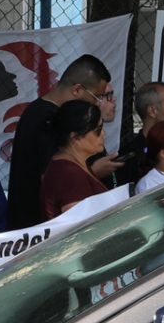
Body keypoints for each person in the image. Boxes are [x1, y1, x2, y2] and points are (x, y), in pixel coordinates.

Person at [7, 56, 114, 229]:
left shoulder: (37, 111)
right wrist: (94, 171)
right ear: (77, 89)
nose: (97, 103)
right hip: (37, 230)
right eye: (97, 96)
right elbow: (54, 184)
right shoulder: (47, 119)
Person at [38, 98, 112, 219]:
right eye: (97, 130)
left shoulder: (71, 165)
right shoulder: (69, 174)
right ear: (75, 138)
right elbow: (79, 227)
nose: (103, 134)